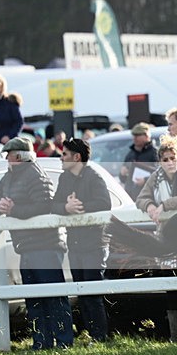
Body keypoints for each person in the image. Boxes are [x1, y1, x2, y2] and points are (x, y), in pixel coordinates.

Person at [0, 137, 72, 349]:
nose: (7, 160)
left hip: (45, 246)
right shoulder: (9, 176)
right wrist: (1, 204)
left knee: (54, 297)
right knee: (33, 299)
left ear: (19, 156)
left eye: (9, 155)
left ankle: (63, 341)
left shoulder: (37, 175)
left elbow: (45, 206)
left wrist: (14, 210)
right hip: (26, 246)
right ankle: (41, 342)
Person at [136, 135, 177, 341]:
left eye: (173, 158)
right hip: (166, 239)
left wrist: (165, 205)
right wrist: (150, 206)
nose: (169, 162)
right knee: (172, 290)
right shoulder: (155, 178)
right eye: (165, 159)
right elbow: (141, 198)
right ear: (160, 161)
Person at [52, 138, 111, 342]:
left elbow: (104, 203)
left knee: (93, 293)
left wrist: (80, 206)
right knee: (81, 291)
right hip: (74, 243)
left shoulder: (94, 177)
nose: (61, 158)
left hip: (94, 244)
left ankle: (99, 336)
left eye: (64, 154)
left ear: (77, 157)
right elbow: (54, 204)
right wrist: (65, 208)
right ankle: (90, 333)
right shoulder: (64, 178)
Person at [120, 122, 158, 200]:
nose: (135, 138)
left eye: (138, 135)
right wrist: (122, 174)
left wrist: (145, 180)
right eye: (134, 135)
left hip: (149, 196)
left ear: (147, 136)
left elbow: (161, 174)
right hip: (131, 196)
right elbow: (123, 179)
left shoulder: (155, 153)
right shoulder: (130, 154)